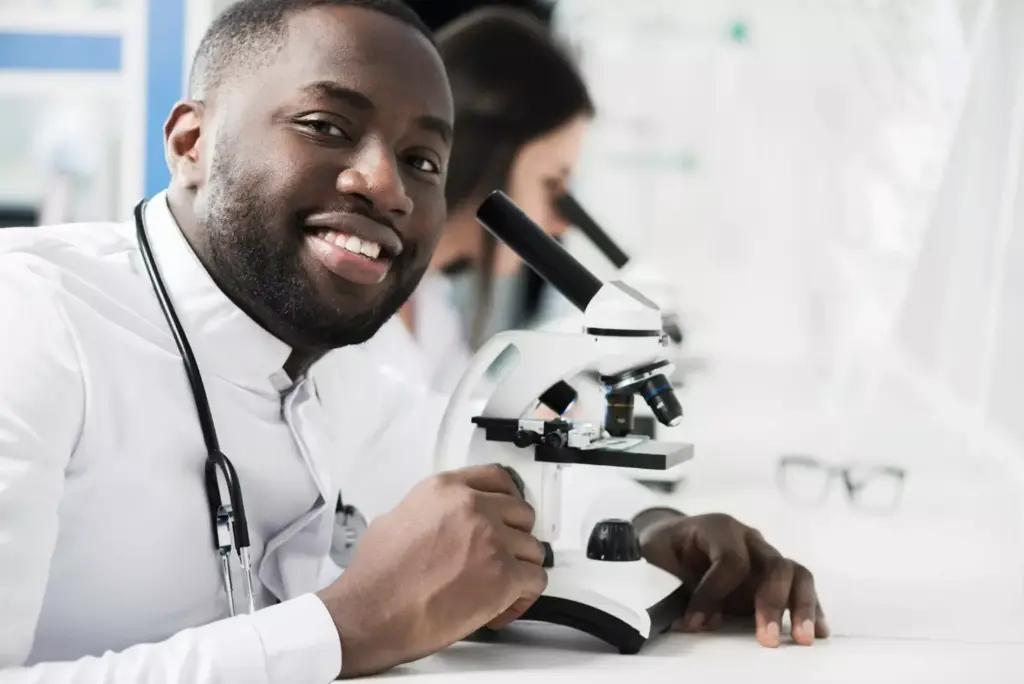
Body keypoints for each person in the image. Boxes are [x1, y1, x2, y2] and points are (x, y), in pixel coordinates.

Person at [0, 1, 827, 682]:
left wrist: (650, 534)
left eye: (423, 160)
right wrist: (347, 627)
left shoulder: (321, 363)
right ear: (191, 143)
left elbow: (471, 484)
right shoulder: (30, 322)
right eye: (327, 125)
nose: (386, 184)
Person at [359, 7, 589, 394]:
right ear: (482, 159)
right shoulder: (351, 306)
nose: (562, 224)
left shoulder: (430, 302)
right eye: (550, 184)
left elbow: (462, 415)